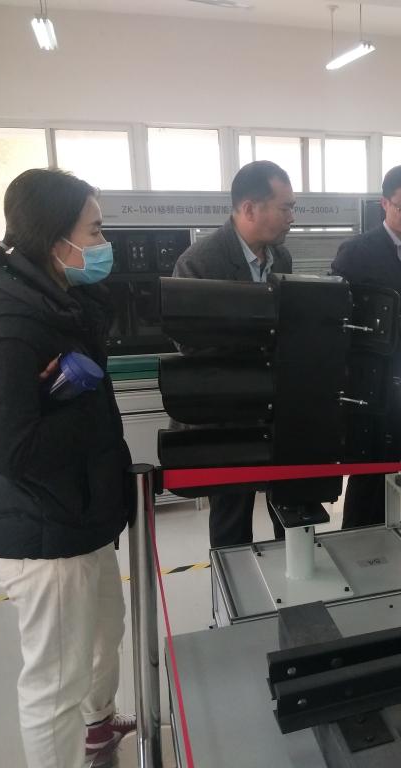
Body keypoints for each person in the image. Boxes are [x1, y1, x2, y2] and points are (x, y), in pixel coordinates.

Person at [0, 168, 136, 768]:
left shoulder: (55, 299)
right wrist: (81, 405)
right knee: (54, 680)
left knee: (104, 631)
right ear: (57, 240)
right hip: (44, 529)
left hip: (79, 512)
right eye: (95, 231)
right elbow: (11, 448)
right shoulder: (11, 326)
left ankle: (98, 726)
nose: (104, 244)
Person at [173, 160, 295, 548]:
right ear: (249, 209)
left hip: (276, 410)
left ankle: (291, 580)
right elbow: (191, 344)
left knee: (289, 508)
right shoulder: (199, 262)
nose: (292, 217)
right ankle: (230, 585)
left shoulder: (282, 258)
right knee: (231, 517)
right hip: (227, 413)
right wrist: (258, 343)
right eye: (285, 208)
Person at [331, 165, 401, 528]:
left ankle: (385, 536)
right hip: (363, 378)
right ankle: (356, 539)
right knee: (365, 463)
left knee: (391, 457)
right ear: (384, 203)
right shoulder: (357, 251)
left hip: (399, 375)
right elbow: (335, 315)